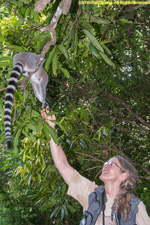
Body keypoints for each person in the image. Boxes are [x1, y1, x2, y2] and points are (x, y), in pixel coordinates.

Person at [41, 107, 150, 225]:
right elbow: (62, 165)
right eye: (105, 163)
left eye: (112, 164)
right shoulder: (91, 194)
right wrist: (51, 128)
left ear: (124, 175)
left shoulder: (135, 207)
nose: (105, 165)